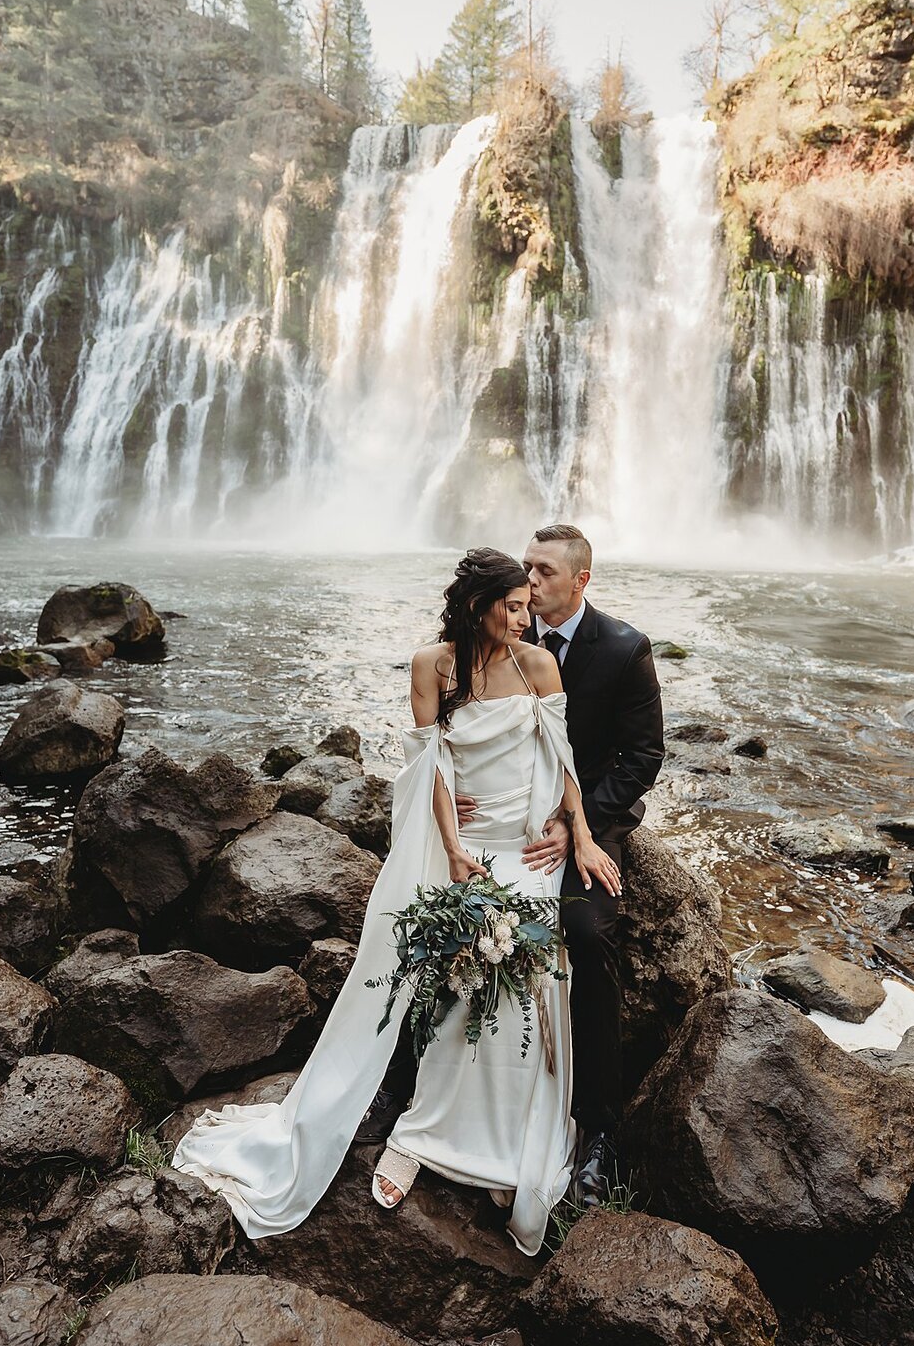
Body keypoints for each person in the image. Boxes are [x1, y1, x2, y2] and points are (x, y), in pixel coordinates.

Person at [170, 548, 620, 1258]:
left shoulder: (537, 666)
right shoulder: (431, 667)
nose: (525, 617)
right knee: (457, 958)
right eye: (512, 606)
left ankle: (503, 1147)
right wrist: (453, 847)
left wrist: (581, 836)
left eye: (528, 605)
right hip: (468, 842)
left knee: (528, 969)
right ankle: (425, 1132)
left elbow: (563, 762)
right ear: (478, 608)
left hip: (528, 843)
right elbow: (431, 767)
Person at [512, 523, 664, 1207]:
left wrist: (580, 826)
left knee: (587, 932)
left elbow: (642, 758)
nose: (530, 581)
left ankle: (597, 1129)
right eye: (525, 569)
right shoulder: (508, 641)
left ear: (581, 580)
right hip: (515, 813)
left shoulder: (626, 649)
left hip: (594, 821)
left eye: (543, 570)